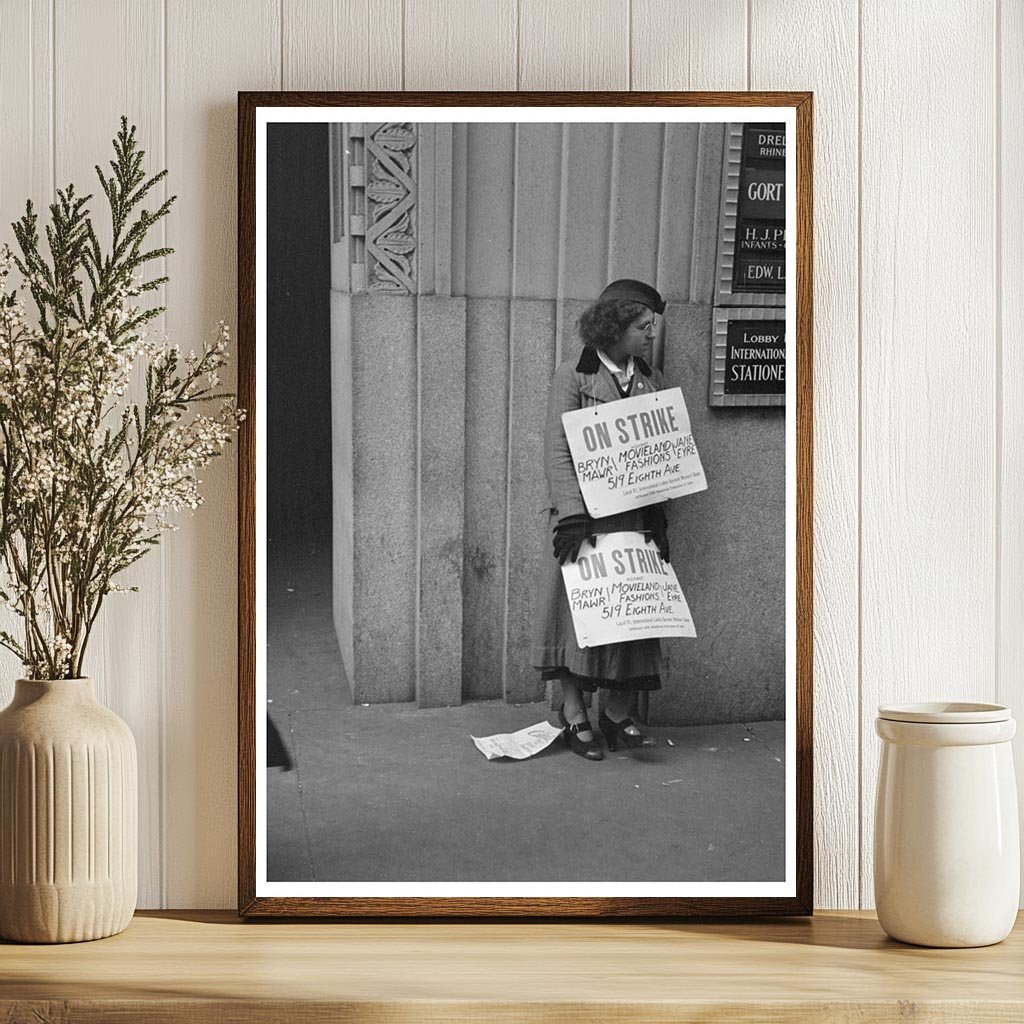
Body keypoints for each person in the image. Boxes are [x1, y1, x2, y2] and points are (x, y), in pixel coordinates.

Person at [531, 279, 672, 761]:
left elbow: (661, 457)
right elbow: (557, 451)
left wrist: (658, 519)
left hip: (633, 520)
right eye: (642, 326)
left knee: (631, 619)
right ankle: (574, 713)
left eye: (652, 326)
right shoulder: (573, 376)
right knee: (577, 619)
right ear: (614, 327)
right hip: (586, 524)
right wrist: (571, 516)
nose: (651, 334)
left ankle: (616, 713)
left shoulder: (652, 380)